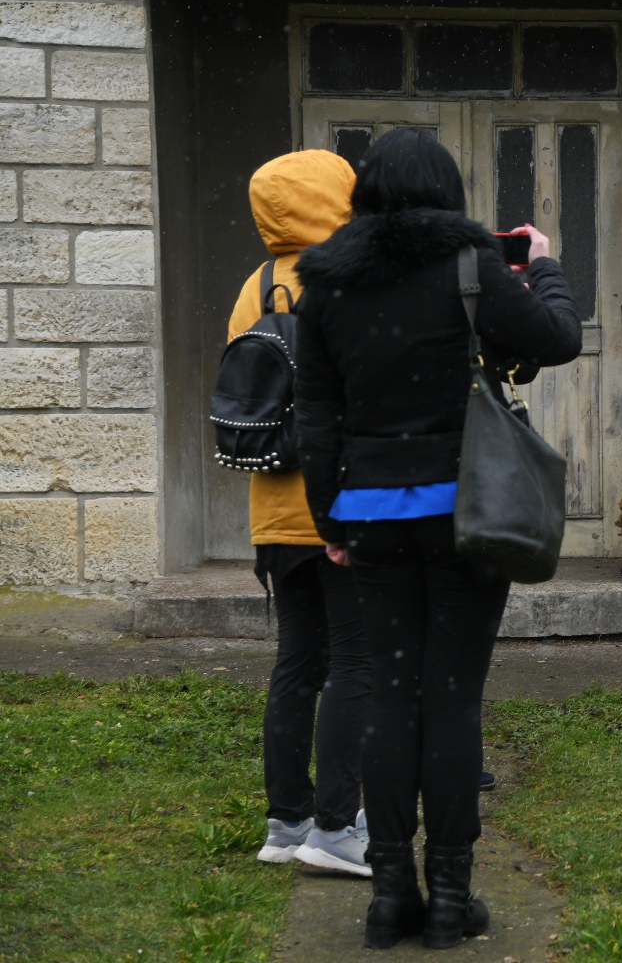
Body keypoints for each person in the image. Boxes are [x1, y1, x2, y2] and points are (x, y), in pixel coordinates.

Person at [294, 128, 582, 950]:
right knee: (450, 700)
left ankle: (391, 896)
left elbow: (317, 414)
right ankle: (451, 898)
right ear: (446, 192)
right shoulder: (470, 265)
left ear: (365, 196)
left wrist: (331, 521)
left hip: (373, 519)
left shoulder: (326, 287)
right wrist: (547, 264)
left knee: (391, 699)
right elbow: (555, 340)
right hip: (466, 516)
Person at [238, 150, 374, 877]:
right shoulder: (344, 282)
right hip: (337, 503)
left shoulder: (255, 285)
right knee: (355, 663)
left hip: (271, 507)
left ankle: (285, 821)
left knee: (296, 664)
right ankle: (336, 827)